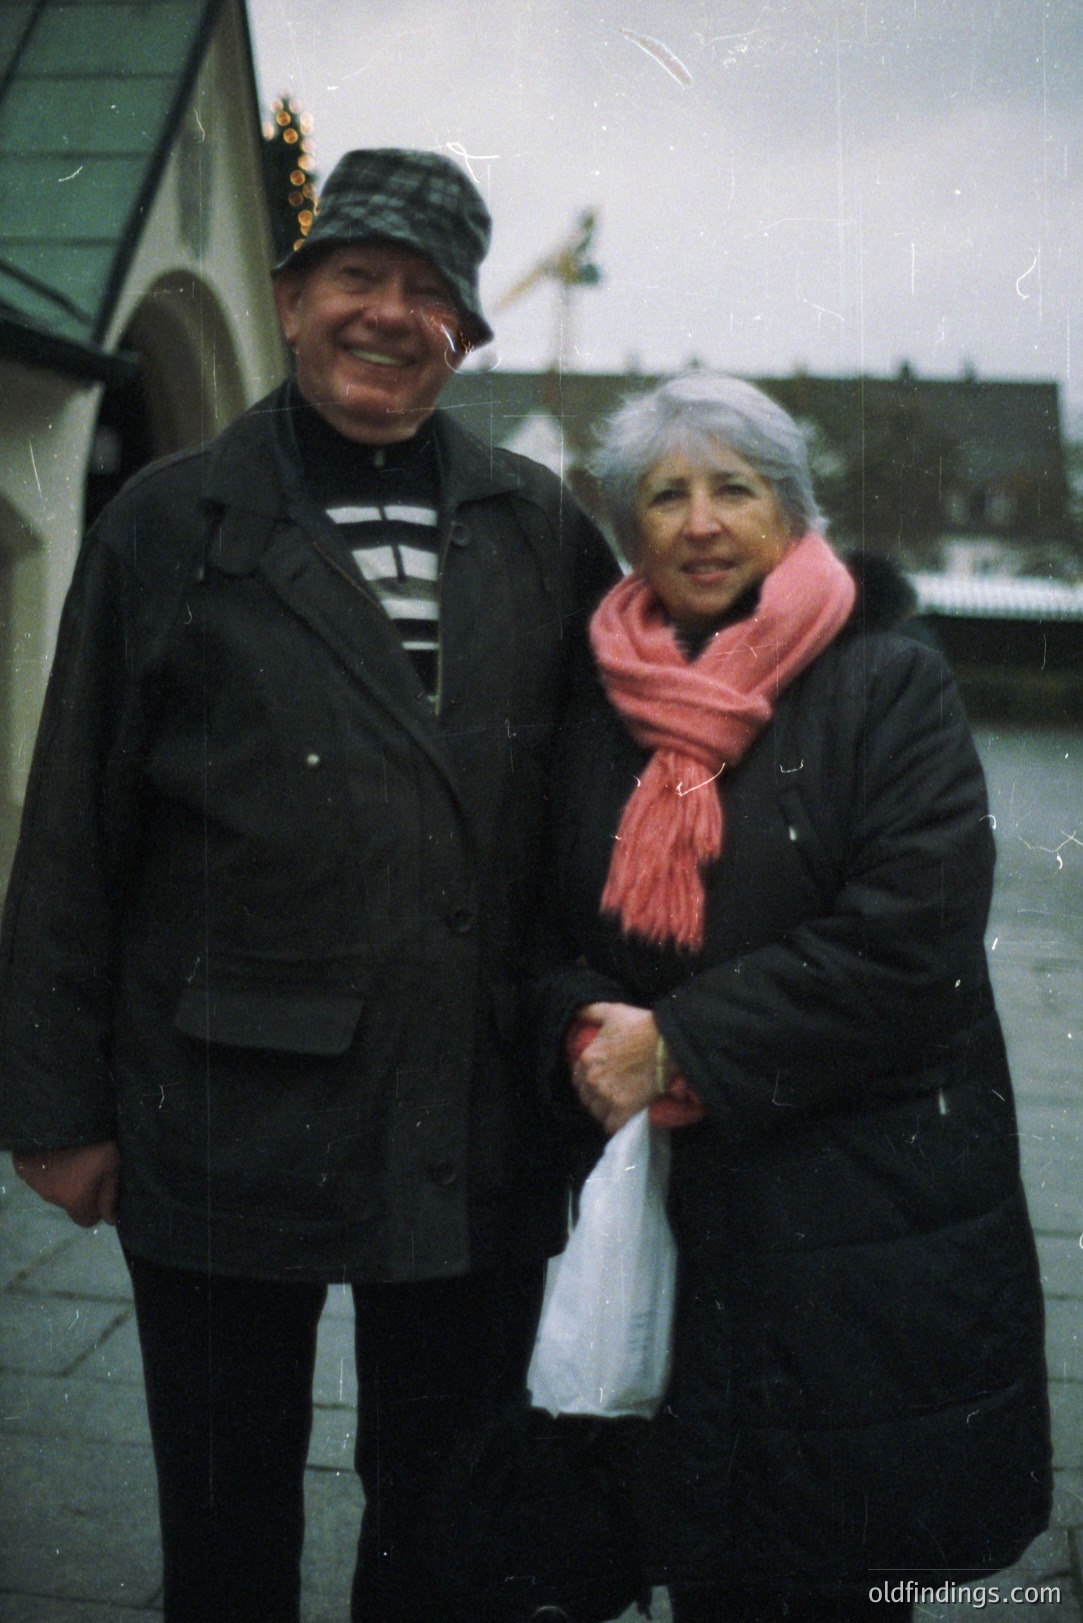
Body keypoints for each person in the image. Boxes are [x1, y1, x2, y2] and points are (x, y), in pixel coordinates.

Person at [0, 148, 617, 1622]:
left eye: (427, 292)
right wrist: (50, 1108)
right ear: (289, 298)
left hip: (470, 1114)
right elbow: (76, 824)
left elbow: (620, 803)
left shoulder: (542, 526)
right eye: (357, 276)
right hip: (221, 1110)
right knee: (225, 1518)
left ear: (467, 332)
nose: (388, 314)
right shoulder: (169, 518)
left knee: (443, 1519)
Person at [535, 372, 1052, 1622]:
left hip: (855, 1202)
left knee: (829, 1557)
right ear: (630, 525)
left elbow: (910, 932)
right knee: (691, 1526)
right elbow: (541, 911)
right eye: (666, 494)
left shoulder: (889, 681)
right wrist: (586, 1025)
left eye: (735, 488)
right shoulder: (602, 697)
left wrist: (685, 1045)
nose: (700, 521)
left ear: (794, 510)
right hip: (662, 1193)